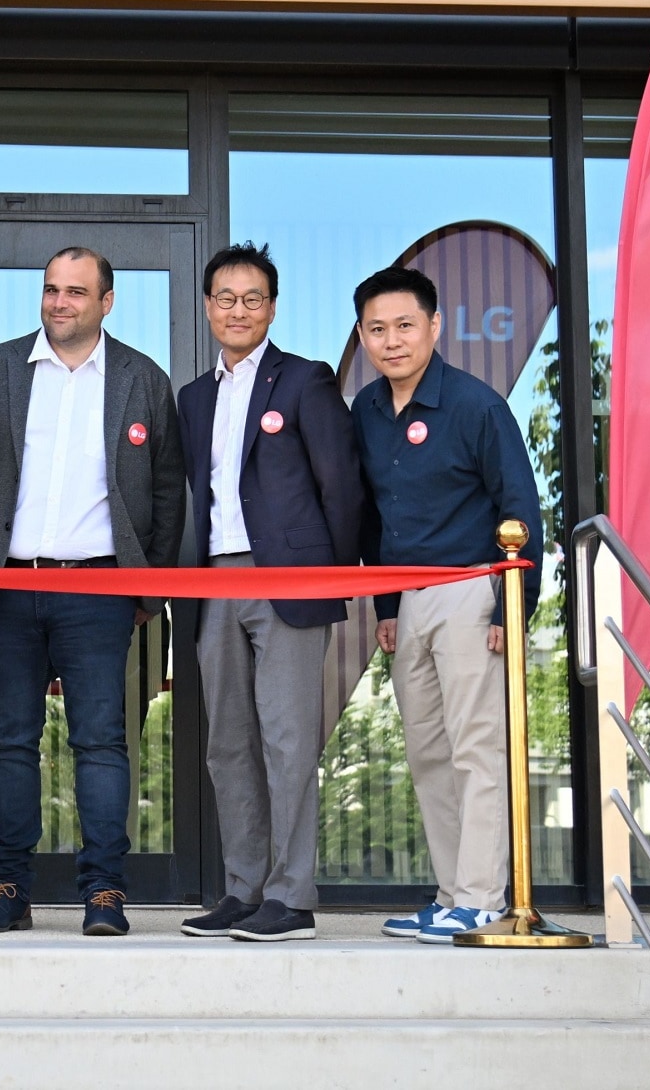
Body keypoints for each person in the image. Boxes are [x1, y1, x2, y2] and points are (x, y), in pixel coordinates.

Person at [0, 247, 185, 938]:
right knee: (10, 742)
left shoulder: (143, 379)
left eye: (76, 292)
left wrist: (148, 588)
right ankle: (7, 888)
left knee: (101, 743)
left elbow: (168, 493)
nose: (60, 303)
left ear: (107, 302)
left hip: (100, 588)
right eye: (51, 290)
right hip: (6, 586)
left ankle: (105, 891)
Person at [174, 243, 365, 945]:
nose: (238, 310)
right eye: (225, 298)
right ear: (207, 307)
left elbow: (340, 485)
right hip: (213, 580)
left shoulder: (305, 381)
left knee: (287, 741)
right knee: (227, 744)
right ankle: (243, 890)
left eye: (252, 298)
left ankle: (291, 895)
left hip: (288, 578)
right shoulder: (194, 397)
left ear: (273, 308)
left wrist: (333, 574)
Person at [351, 265, 542, 946]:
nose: (392, 340)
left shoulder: (475, 405)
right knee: (428, 752)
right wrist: (384, 605)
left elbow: (521, 505)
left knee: (476, 749)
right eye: (377, 329)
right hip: (408, 599)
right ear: (363, 336)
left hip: (471, 591)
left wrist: (512, 611)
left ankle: (485, 899)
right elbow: (371, 517)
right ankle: (452, 894)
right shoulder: (367, 413)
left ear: (435, 327)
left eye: (406, 325)